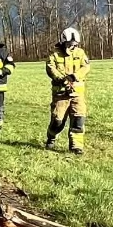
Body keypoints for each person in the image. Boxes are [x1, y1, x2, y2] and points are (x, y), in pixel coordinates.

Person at [44, 27, 90, 155]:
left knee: (78, 119)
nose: (72, 46)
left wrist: (74, 76)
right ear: (63, 42)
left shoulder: (80, 53)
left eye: (74, 44)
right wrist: (61, 79)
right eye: (69, 44)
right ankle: (51, 137)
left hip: (77, 94)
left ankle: (76, 146)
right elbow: (50, 68)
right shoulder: (54, 54)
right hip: (61, 95)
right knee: (57, 121)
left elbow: (86, 67)